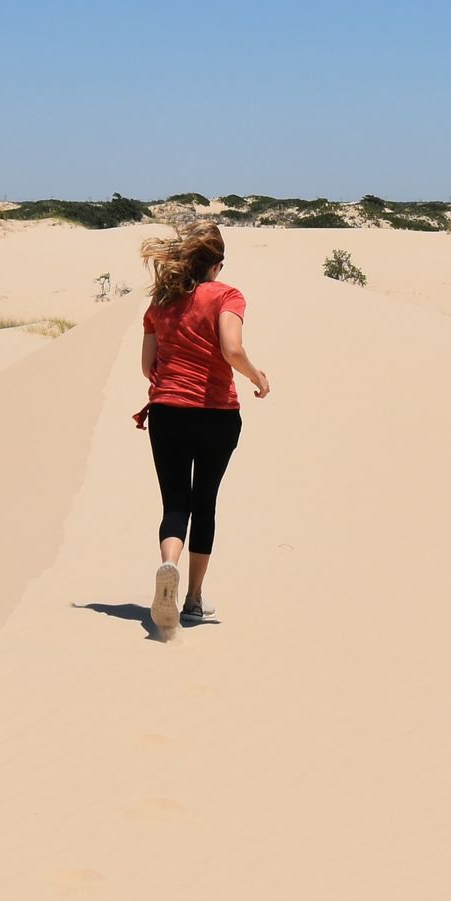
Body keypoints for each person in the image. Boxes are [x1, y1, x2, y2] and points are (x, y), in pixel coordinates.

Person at [139, 222, 270, 636]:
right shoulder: (227, 295)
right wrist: (257, 377)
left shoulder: (161, 302)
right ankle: (193, 599)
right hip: (216, 414)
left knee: (175, 503)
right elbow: (232, 349)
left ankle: (169, 566)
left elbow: (147, 367)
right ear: (216, 264)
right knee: (205, 502)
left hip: (167, 412)